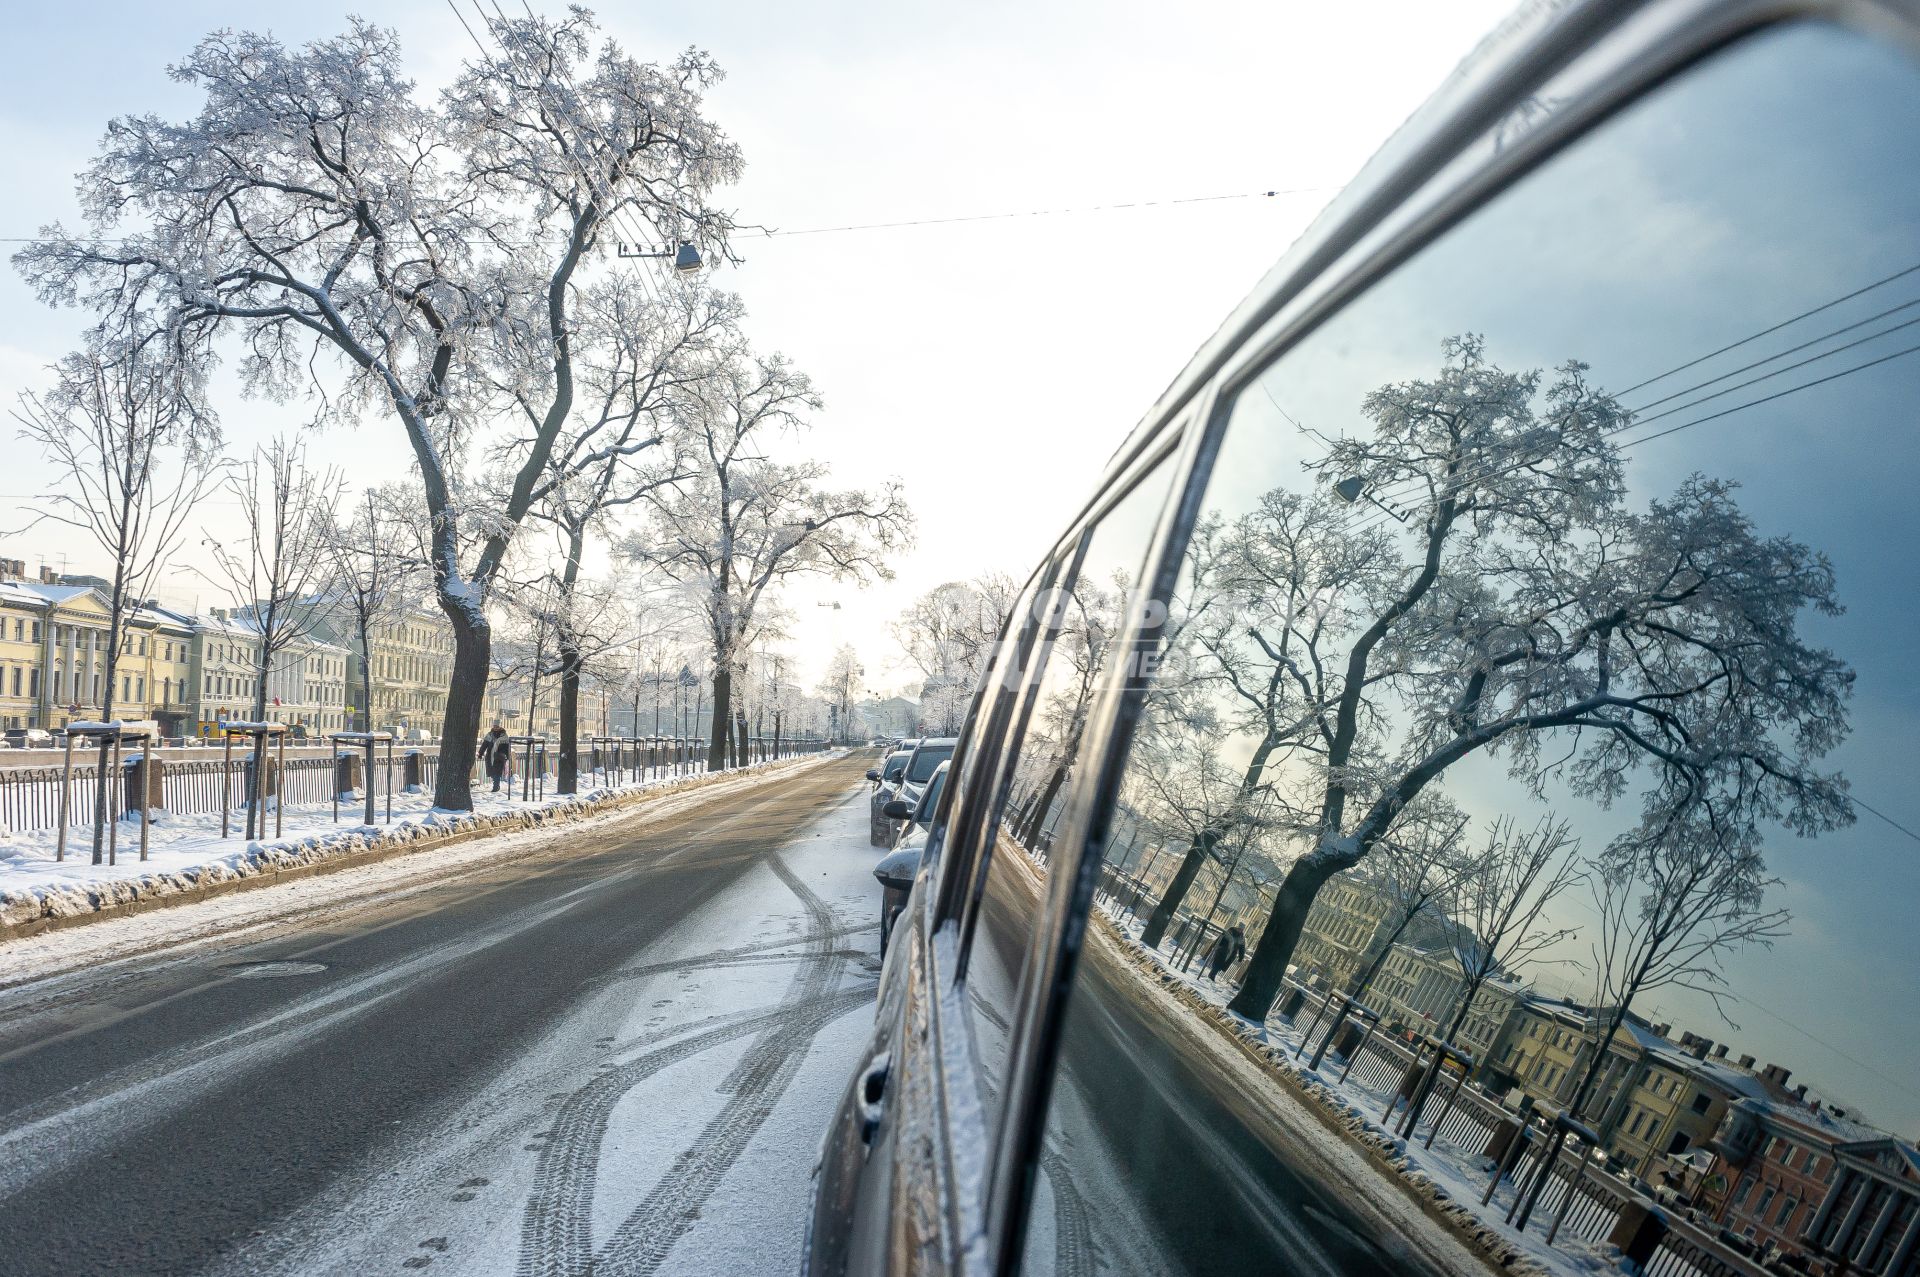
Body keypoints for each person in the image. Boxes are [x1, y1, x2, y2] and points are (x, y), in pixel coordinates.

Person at [478, 724, 514, 793]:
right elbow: (484, 745)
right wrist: (480, 753)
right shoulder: (489, 735)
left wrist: (508, 757)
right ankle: (496, 785)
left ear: (500, 727)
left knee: (497, 772)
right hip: (490, 756)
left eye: (497, 726)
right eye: (494, 726)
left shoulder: (504, 736)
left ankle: (496, 786)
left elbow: (507, 748)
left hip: (500, 757)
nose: (496, 728)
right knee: (492, 772)